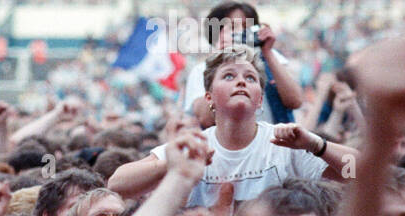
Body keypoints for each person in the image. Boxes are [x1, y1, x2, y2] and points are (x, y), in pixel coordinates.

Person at [110, 46, 354, 207]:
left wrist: (317, 145)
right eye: (228, 76)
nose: (240, 81)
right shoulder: (193, 147)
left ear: (259, 99)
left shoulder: (285, 144)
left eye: (250, 78)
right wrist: (173, 165)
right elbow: (117, 185)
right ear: (209, 98)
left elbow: (357, 173)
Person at [182, 2, 303, 128]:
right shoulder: (201, 70)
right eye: (233, 27)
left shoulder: (270, 60)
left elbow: (295, 101)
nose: (242, 33)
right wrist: (220, 60)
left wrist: (268, 52)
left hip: (275, 142)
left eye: (246, 27)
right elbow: (205, 118)